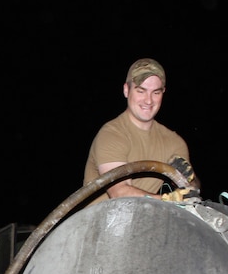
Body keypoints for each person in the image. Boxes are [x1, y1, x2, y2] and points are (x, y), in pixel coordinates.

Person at [82, 57, 199, 203]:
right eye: (141, 91)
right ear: (126, 90)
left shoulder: (175, 143)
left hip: (141, 219)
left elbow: (190, 192)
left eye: (156, 92)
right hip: (100, 221)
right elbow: (119, 193)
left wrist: (191, 183)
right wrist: (168, 201)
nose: (149, 100)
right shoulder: (111, 134)